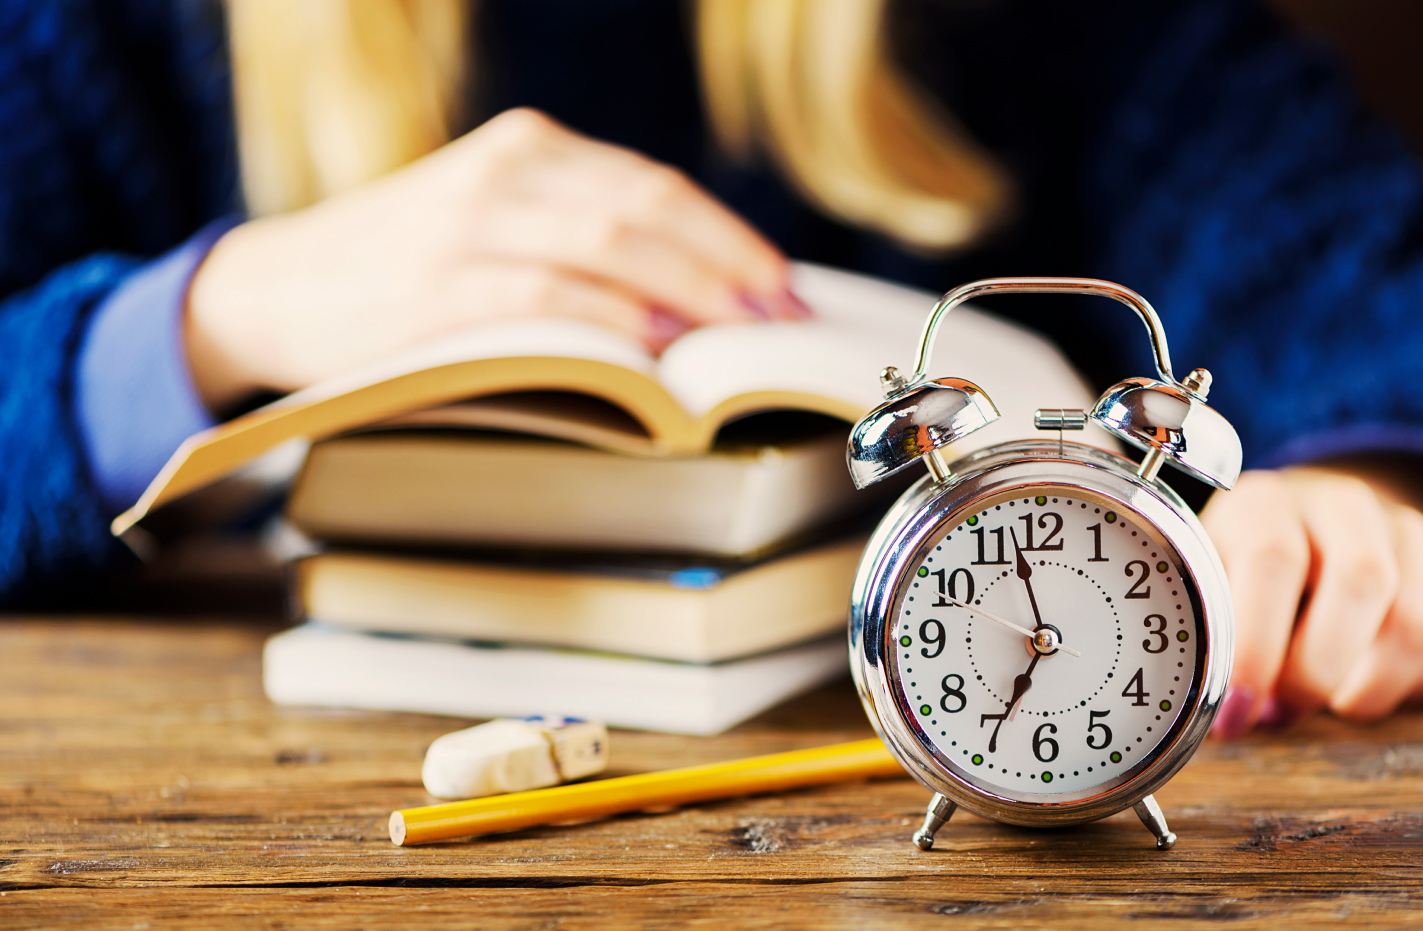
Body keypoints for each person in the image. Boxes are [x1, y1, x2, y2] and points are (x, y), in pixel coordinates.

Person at [2, 0, 1421, 739]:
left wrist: (1361, 478)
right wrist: (209, 313)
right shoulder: (101, 39)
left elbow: (1338, 245)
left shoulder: (1043, 29)